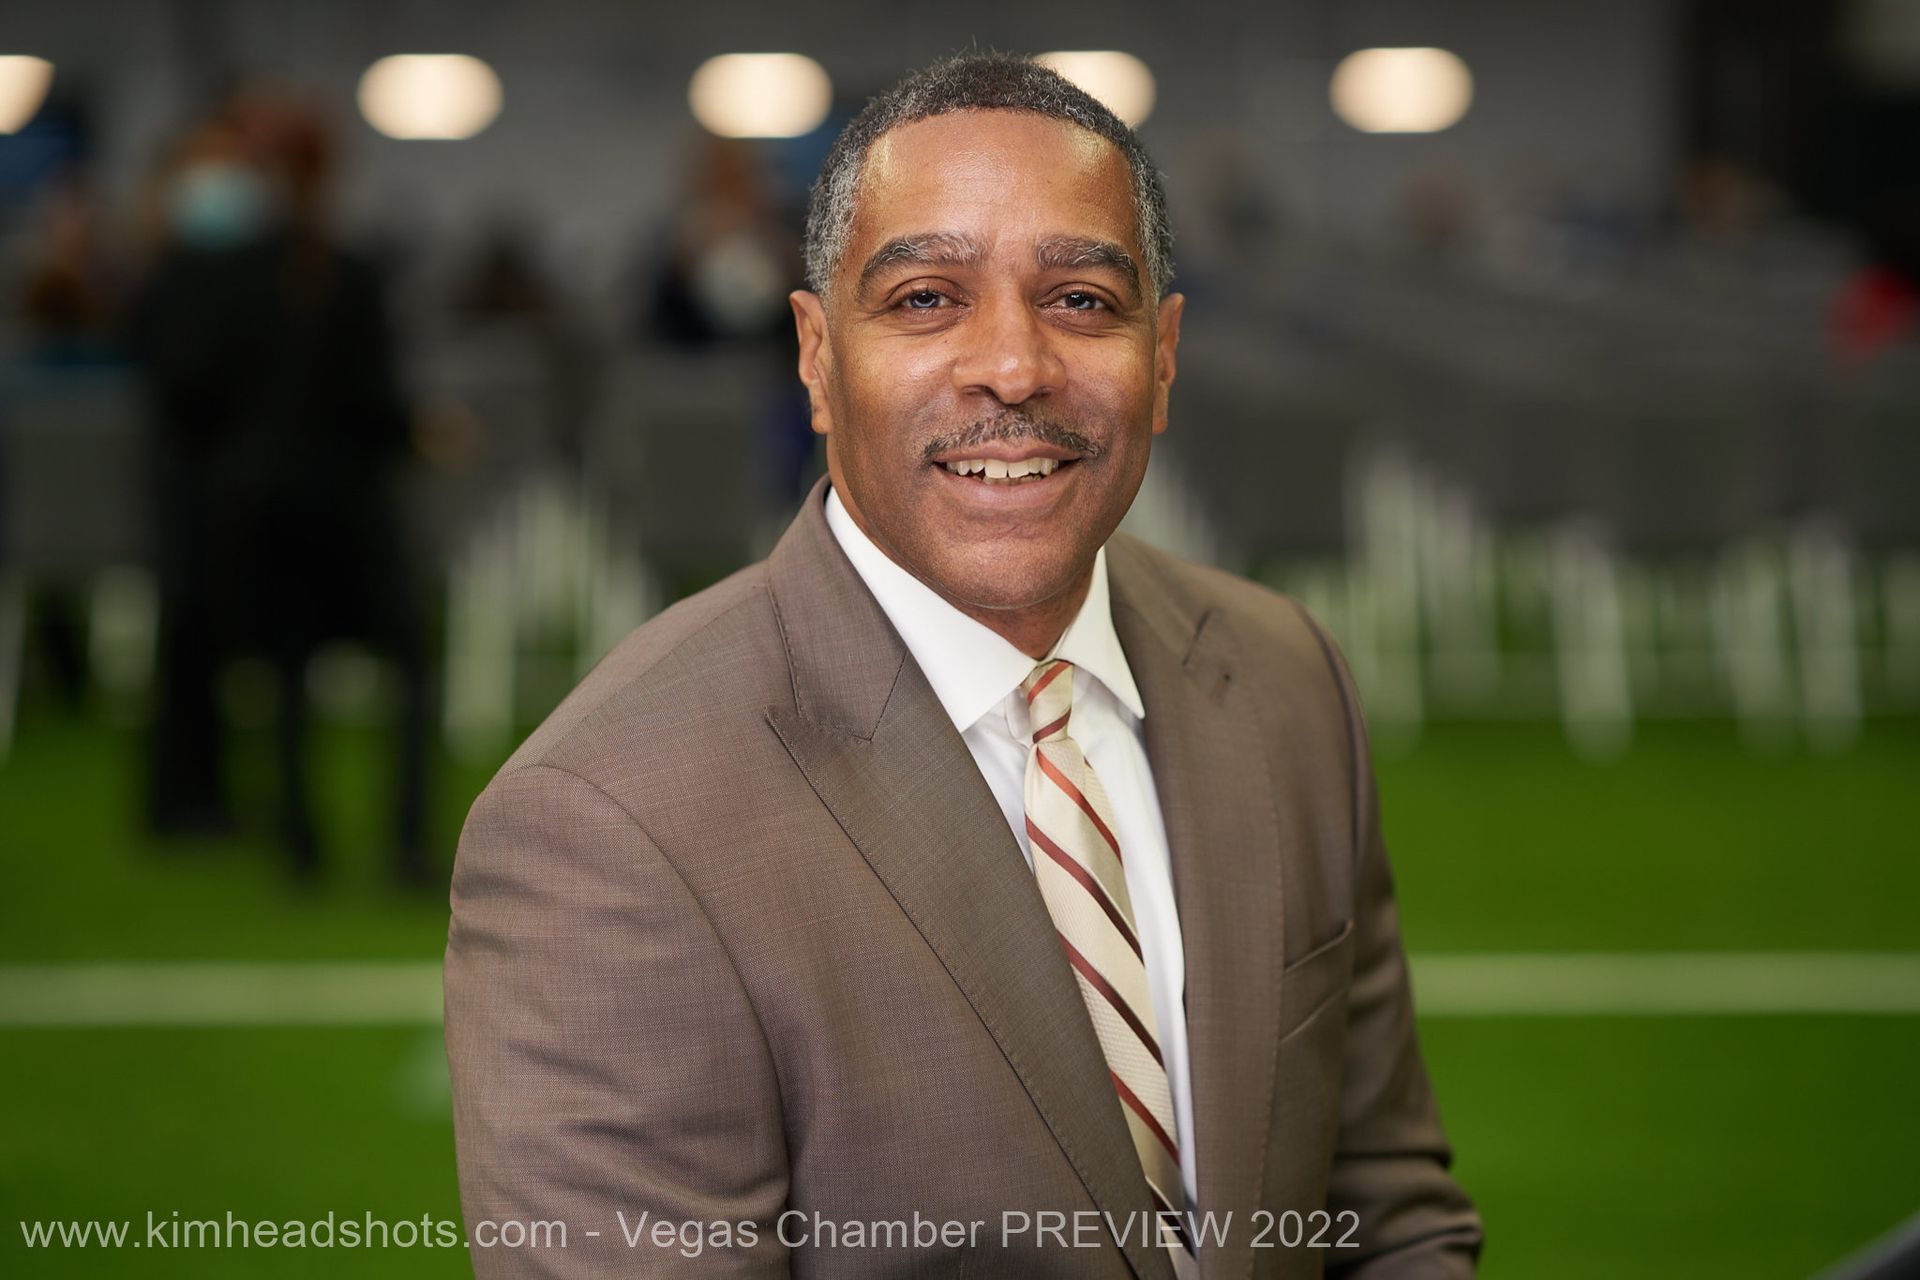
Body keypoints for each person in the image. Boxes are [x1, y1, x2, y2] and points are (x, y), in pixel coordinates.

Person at [445, 52, 1482, 1278]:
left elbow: (1382, 1215)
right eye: (927, 297)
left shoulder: (1284, 679)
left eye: (1082, 299)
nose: (1014, 365)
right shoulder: (608, 819)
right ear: (816, 358)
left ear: (1162, 355)